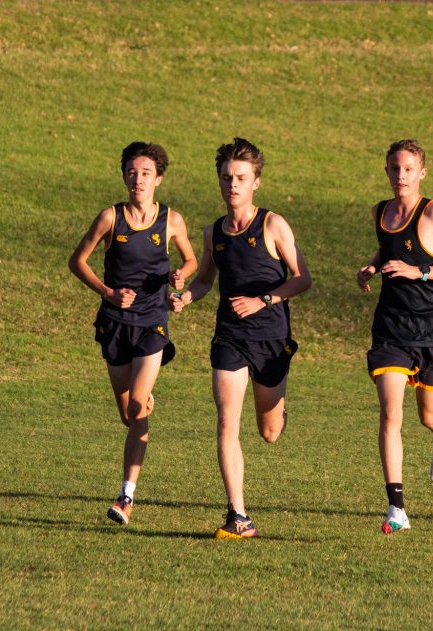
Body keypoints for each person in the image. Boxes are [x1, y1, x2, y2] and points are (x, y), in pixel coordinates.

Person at [171, 137, 311, 540]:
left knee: (268, 431)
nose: (233, 184)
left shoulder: (272, 224)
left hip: (271, 338)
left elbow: (303, 279)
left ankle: (278, 412)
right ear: (219, 181)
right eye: (227, 177)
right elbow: (205, 280)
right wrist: (186, 297)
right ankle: (238, 515)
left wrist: (264, 300)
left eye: (241, 178)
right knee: (225, 420)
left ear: (256, 183)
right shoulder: (214, 232)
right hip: (229, 337)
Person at [69, 141, 197, 525]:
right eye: (131, 173)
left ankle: (126, 496)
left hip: (152, 321)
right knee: (129, 414)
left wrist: (182, 274)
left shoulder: (171, 220)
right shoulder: (110, 218)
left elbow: (190, 258)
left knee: (138, 406)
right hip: (114, 324)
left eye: (145, 174)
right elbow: (77, 261)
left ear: (158, 179)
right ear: (124, 176)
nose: (137, 180)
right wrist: (108, 292)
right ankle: (142, 400)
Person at [356, 139, 433, 534]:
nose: (400, 176)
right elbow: (387, 248)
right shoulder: (380, 212)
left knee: (429, 415)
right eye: (394, 168)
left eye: (408, 169)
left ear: (421, 172)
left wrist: (419, 272)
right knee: (391, 412)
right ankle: (397, 509)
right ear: (387, 170)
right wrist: (372, 268)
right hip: (391, 328)